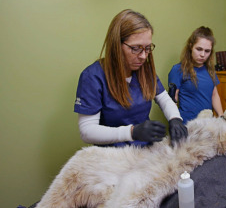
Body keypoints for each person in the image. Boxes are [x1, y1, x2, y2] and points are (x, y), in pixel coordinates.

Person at [74, 9, 187, 147]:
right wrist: (131, 132)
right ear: (116, 45)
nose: (143, 56)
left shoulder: (144, 70)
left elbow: (164, 99)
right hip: (113, 156)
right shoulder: (93, 77)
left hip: (145, 150)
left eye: (147, 48)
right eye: (136, 48)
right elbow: (87, 131)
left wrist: (175, 118)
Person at [168, 26, 223, 124]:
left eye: (207, 51)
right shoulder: (178, 70)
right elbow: (172, 101)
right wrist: (175, 123)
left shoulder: (210, 70)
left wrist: (221, 117)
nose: (202, 54)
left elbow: (214, 95)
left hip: (207, 125)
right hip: (187, 125)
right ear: (190, 46)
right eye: (199, 49)